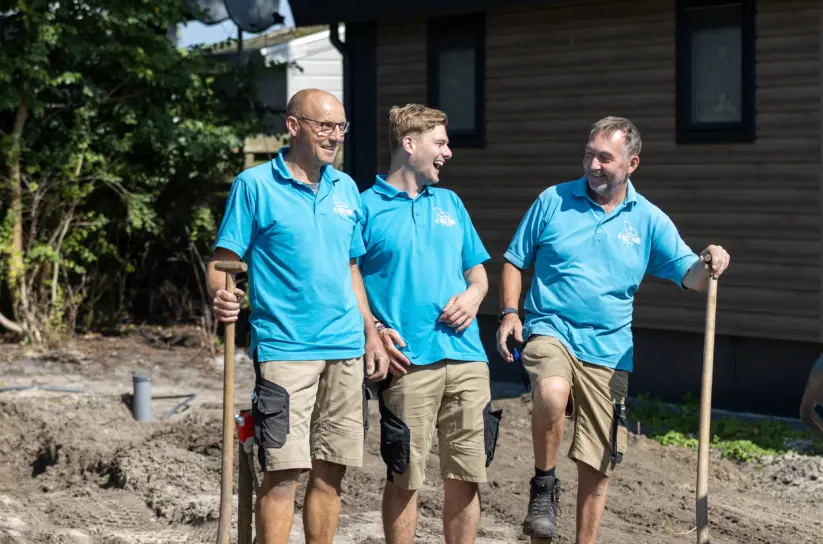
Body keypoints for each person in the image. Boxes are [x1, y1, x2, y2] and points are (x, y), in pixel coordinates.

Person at [496, 116, 731, 543]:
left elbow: (691, 275)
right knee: (551, 392)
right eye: (589, 154)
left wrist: (711, 259)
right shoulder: (553, 200)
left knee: (597, 461)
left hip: (609, 349)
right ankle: (544, 488)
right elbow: (514, 259)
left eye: (605, 157)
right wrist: (510, 312)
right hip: (551, 327)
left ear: (632, 163)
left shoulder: (647, 220)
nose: (594, 165)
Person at [207, 88, 389, 544]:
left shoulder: (346, 188)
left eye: (341, 127)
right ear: (293, 126)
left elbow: (352, 267)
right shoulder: (255, 185)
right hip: (286, 350)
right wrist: (224, 296)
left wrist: (370, 330)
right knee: (284, 474)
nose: (335, 136)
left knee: (330, 476)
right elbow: (222, 263)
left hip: (345, 350)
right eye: (324, 126)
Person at [357, 103, 501, 544]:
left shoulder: (451, 204)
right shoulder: (365, 207)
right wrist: (374, 330)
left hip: (467, 358)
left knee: (467, 475)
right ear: (409, 144)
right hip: (408, 363)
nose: (448, 152)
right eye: (440, 143)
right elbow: (348, 278)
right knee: (405, 476)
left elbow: (477, 272)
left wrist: (474, 295)